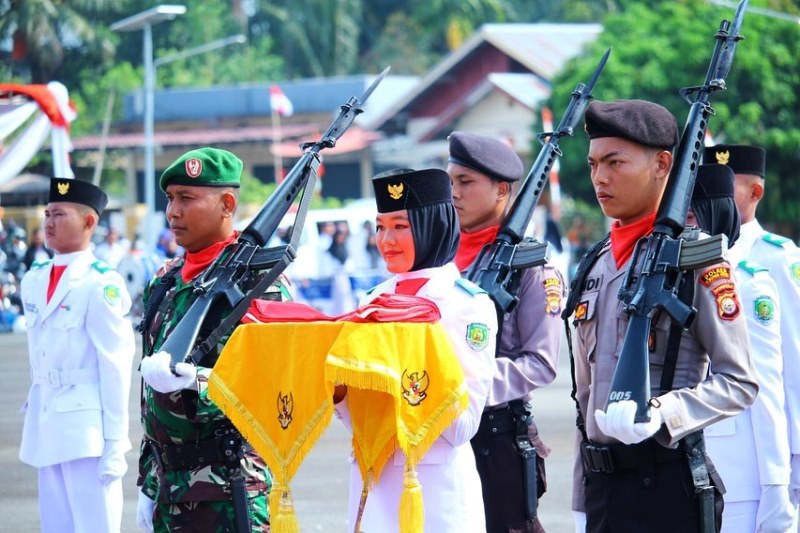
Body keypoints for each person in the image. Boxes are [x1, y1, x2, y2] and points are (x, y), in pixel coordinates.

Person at [565, 99, 757, 533]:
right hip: (603, 490)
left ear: (662, 164)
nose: (600, 178)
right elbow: (584, 394)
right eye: (595, 163)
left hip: (667, 484)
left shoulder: (696, 259)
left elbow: (739, 382)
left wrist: (665, 410)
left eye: (615, 162)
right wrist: (581, 498)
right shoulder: (594, 266)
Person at [333, 167, 497, 532]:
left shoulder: (467, 305)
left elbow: (463, 425)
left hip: (433, 493)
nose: (386, 239)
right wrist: (339, 389)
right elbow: (356, 418)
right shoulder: (372, 301)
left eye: (400, 226)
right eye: (380, 226)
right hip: (372, 488)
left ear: (432, 225)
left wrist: (406, 362)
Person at [136, 147, 289, 532]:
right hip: (167, 488)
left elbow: (275, 388)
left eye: (187, 199)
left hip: (231, 486)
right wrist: (147, 482)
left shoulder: (261, 284)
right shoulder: (164, 281)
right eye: (170, 198)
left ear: (227, 204)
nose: (173, 212)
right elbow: (149, 396)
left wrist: (197, 383)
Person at [447, 131, 564, 533]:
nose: (453, 193)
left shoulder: (530, 265)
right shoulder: (441, 258)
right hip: (443, 436)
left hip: (498, 438)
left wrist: (467, 385)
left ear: (501, 190)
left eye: (465, 183)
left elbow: (541, 362)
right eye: (450, 181)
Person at [18, 177, 135, 532]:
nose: (49, 222)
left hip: (87, 428)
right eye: (47, 213)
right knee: (56, 525)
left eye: (59, 214)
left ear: (89, 222)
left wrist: (116, 440)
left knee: (94, 524)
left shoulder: (101, 283)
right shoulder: (34, 278)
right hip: (46, 418)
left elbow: (116, 363)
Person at [689, 163, 794, 533]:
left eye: (691, 214)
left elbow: (768, 385)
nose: (684, 226)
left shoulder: (742, 282)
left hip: (737, 471)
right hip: (675, 467)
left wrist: (778, 480)